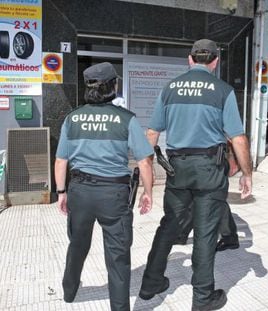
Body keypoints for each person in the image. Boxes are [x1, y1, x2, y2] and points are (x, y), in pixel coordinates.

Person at [139, 39, 252, 311]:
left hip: (178, 168)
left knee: (169, 226)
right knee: (205, 233)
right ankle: (202, 298)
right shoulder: (223, 91)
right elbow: (237, 137)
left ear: (190, 60)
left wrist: (146, 177)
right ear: (215, 61)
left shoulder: (170, 89)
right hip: (209, 170)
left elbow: (151, 134)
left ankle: (150, 284)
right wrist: (246, 173)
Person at [55, 62, 154, 311]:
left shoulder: (72, 118)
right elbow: (144, 161)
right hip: (114, 195)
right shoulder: (126, 119)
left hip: (80, 191)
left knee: (77, 244)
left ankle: (69, 292)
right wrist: (148, 192)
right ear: (113, 85)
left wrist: (61, 192)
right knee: (118, 257)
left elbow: (61, 160)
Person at [174, 142, 241, 251]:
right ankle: (181, 234)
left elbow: (234, 136)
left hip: (213, 161)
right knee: (193, 198)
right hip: (193, 160)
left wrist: (233, 159)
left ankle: (230, 237)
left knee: (216, 199)